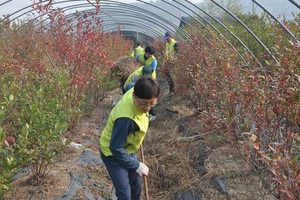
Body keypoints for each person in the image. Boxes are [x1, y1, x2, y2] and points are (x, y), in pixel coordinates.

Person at [99, 77, 160, 200]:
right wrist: (136, 165)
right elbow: (115, 148)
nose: (147, 108)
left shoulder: (136, 90)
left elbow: (130, 85)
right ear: (133, 96)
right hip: (113, 154)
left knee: (136, 185)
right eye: (143, 104)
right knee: (125, 195)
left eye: (152, 104)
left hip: (128, 148)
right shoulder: (125, 119)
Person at [136, 45, 158, 121]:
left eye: (152, 54)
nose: (150, 56)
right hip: (140, 78)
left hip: (150, 79)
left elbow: (150, 71)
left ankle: (152, 113)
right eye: (149, 54)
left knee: (150, 95)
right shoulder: (139, 56)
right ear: (146, 52)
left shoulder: (153, 61)